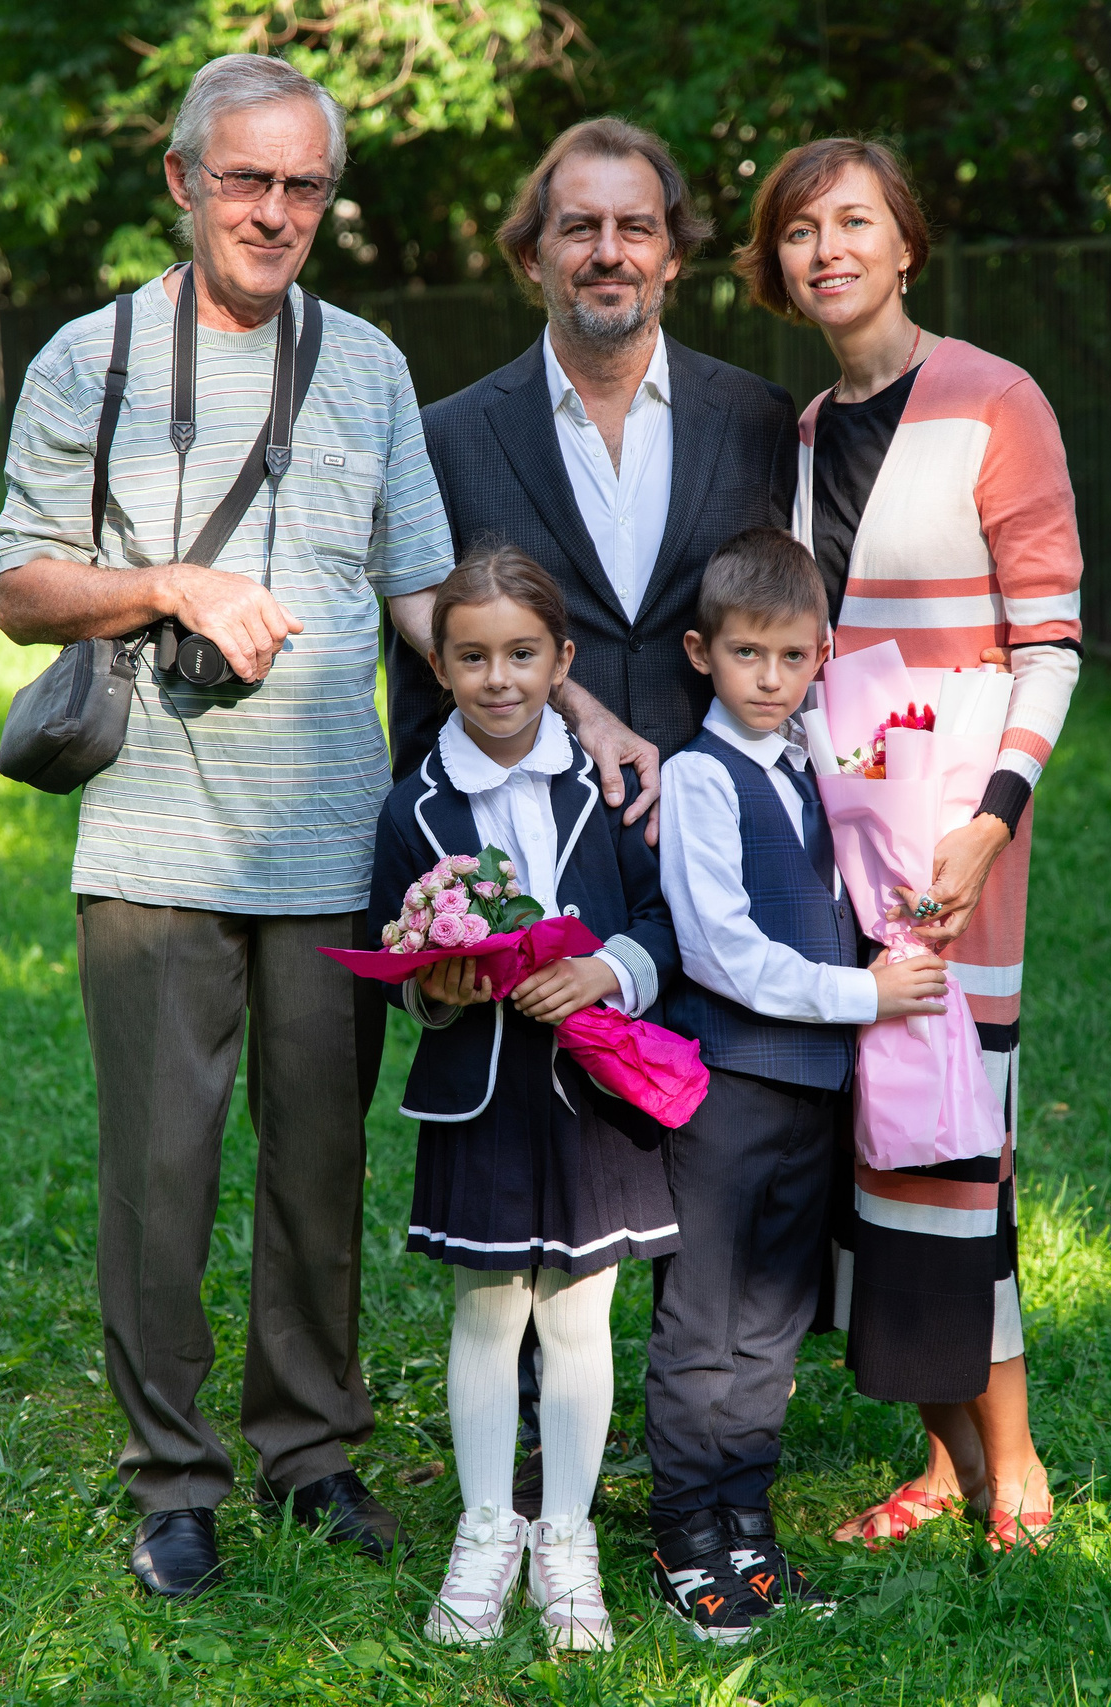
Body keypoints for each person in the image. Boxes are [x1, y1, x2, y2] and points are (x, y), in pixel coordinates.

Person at [0, 52, 453, 1598]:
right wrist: (172, 584)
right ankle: (174, 1477)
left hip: (334, 838)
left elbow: (422, 592)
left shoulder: (369, 364)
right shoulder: (91, 357)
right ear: (183, 181)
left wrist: (545, 706)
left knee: (318, 1170)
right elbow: (19, 586)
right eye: (246, 178)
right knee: (161, 1175)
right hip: (152, 841)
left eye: (303, 185)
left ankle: (310, 1451)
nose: (274, 210)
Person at [399, 118, 799, 1505]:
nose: (608, 251)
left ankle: (703, 1455)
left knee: (716, 1135)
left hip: (714, 837)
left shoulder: (758, 419)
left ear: (674, 254)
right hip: (539, 852)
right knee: (540, 1146)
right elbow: (438, 650)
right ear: (532, 253)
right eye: (579, 226)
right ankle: (522, 1466)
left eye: (636, 226)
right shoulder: (453, 435)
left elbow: (788, 624)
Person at [734, 137, 1082, 1554]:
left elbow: (1049, 644)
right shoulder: (801, 434)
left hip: (953, 848)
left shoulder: (996, 400)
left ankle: (1018, 1465)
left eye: (853, 222)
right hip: (838, 840)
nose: (827, 249)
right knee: (872, 1138)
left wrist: (988, 824)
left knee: (953, 1139)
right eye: (799, 230)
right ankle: (941, 1461)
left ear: (906, 242)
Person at [368, 546, 678, 1654]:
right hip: (483, 1096)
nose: (497, 679)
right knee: (490, 1308)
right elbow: (390, 952)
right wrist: (435, 989)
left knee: (581, 1313)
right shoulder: (415, 807)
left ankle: (566, 1536)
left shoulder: (608, 787)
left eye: (520, 654)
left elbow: (661, 920)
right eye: (471, 657)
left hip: (592, 1090)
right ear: (438, 666)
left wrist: (606, 970)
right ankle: (486, 1528)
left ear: (562, 660)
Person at [649, 528, 952, 1641]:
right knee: (705, 1317)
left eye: (791, 656)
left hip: (813, 1090)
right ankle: (684, 1535)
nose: (770, 679)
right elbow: (717, 948)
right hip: (727, 1088)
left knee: (774, 1315)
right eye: (746, 654)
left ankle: (746, 1525)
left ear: (821, 654)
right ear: (702, 653)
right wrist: (862, 993)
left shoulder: (823, 767)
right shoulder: (698, 777)